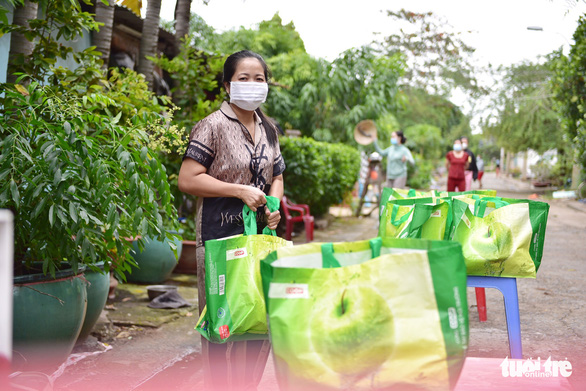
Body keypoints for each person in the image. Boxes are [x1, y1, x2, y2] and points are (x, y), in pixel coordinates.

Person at [177, 50, 285, 391]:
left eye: (260, 79)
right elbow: (188, 178)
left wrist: (274, 204)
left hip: (260, 241)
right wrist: (238, 191)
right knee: (224, 323)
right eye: (244, 78)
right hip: (220, 240)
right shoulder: (212, 126)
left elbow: (277, 175)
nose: (253, 85)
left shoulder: (269, 129)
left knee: (259, 320)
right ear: (227, 85)